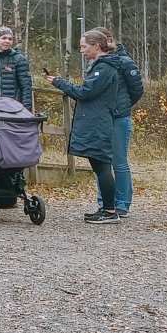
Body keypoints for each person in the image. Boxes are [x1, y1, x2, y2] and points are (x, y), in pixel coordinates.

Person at [47, 27, 122, 224]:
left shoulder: (104, 68)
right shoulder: (102, 66)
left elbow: (85, 92)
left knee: (102, 167)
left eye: (84, 46)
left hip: (98, 123)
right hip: (97, 121)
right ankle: (107, 208)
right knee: (100, 167)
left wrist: (60, 83)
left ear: (97, 46)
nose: (82, 50)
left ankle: (110, 211)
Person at [97, 35, 143, 216]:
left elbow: (137, 89)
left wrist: (122, 106)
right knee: (102, 162)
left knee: (119, 162)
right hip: (103, 118)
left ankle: (122, 203)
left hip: (119, 117)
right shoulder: (99, 63)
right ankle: (105, 202)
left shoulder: (125, 62)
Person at [0, 25, 35, 110]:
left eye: (10, 39)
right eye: (4, 38)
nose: (7, 41)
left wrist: (26, 109)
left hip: (14, 107)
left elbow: (26, 87)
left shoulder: (19, 59)